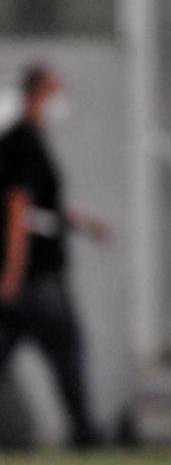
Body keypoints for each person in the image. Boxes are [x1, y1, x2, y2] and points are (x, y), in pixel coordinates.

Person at [0, 65, 109, 449]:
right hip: (37, 277)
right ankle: (85, 433)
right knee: (66, 352)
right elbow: (17, 211)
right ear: (36, 94)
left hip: (29, 277)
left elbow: (42, 211)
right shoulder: (23, 143)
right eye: (55, 90)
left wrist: (85, 225)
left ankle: (84, 430)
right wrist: (12, 274)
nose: (62, 99)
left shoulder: (27, 141)